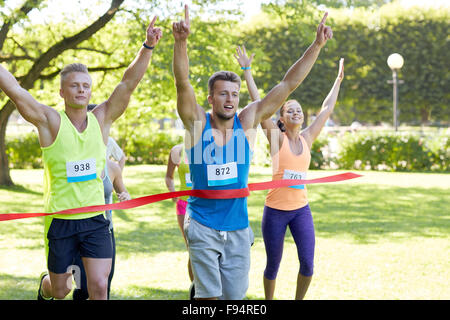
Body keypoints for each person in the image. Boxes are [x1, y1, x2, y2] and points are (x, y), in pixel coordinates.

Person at [172, 4, 333, 300]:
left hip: (237, 227)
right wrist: (180, 43)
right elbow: (183, 83)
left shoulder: (247, 123)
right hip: (203, 225)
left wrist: (317, 45)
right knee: (210, 297)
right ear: (211, 98)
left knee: (234, 297)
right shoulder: (197, 123)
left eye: (234, 93)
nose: (230, 99)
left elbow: (288, 84)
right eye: (223, 93)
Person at [0, 16, 162, 300]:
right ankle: (46, 285)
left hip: (95, 219)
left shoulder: (101, 120)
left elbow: (127, 84)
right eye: (74, 85)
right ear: (62, 91)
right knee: (61, 291)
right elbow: (15, 89)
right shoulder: (49, 121)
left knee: (99, 286)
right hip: (60, 220)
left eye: (86, 85)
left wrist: (147, 46)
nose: (81, 89)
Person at [236, 46, 344, 299]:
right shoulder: (276, 138)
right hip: (275, 211)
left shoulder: (308, 138)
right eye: (289, 110)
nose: (296, 111)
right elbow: (260, 104)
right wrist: (247, 71)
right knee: (273, 266)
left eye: (298, 109)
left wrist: (337, 81)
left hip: (301, 210)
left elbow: (327, 109)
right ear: (281, 119)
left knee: (308, 263)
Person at [165, 143, 195, 297]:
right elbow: (169, 177)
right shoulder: (177, 151)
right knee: (192, 249)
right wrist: (173, 194)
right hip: (184, 205)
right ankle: (195, 288)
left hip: (206, 204)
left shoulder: (207, 146)